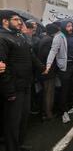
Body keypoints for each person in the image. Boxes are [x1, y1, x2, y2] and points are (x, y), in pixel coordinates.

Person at [0, 10, 45, 151]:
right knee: (12, 122)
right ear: (5, 21)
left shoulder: (19, 36)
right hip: (14, 88)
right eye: (16, 19)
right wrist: (9, 91)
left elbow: (30, 55)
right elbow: (3, 68)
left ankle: (18, 144)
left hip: (26, 85)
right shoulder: (2, 38)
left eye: (20, 20)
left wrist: (42, 67)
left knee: (23, 119)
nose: (20, 22)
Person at [45, 21, 73, 123]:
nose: (70, 27)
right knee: (65, 90)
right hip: (65, 67)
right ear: (63, 27)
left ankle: (70, 106)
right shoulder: (59, 37)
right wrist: (48, 64)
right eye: (68, 26)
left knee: (72, 88)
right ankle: (63, 112)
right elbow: (53, 51)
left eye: (71, 25)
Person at [38, 23, 60, 121]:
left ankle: (45, 112)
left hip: (45, 71)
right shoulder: (49, 41)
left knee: (47, 92)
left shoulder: (44, 38)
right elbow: (48, 57)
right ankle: (48, 114)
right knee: (49, 93)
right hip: (48, 72)